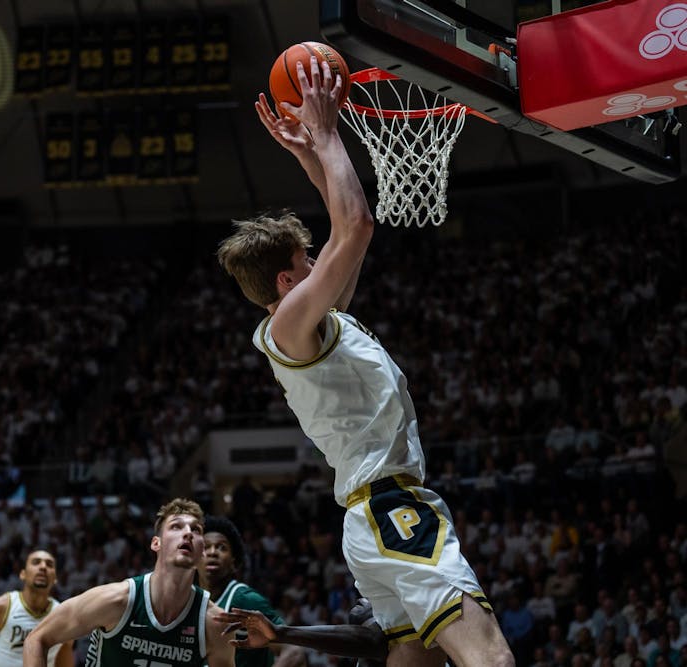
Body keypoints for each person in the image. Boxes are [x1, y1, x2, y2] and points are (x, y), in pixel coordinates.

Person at [216, 54, 514, 667]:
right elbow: (354, 226)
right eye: (306, 263)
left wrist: (306, 153)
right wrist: (326, 134)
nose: (318, 262)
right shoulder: (288, 327)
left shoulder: (320, 322)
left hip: (375, 516)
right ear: (285, 281)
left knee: (416, 662)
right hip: (391, 509)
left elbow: (341, 234)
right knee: (491, 658)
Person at [23, 498, 234, 667]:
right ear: (156, 543)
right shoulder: (115, 600)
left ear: (202, 550)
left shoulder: (213, 623)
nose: (188, 533)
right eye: (176, 527)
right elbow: (37, 639)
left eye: (196, 530)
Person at [203, 515, 307, 667]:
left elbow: (294, 650)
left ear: (234, 562)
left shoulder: (245, 599)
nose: (212, 552)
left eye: (222, 547)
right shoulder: (190, 600)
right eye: (205, 547)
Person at [0, 549, 74, 666]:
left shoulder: (63, 617)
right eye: (36, 562)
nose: (43, 567)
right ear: (23, 574)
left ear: (55, 578)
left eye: (49, 564)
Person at [215, 607, 388, 665]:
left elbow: (374, 640)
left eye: (370, 601)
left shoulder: (386, 640)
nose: (361, 602)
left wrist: (280, 633)